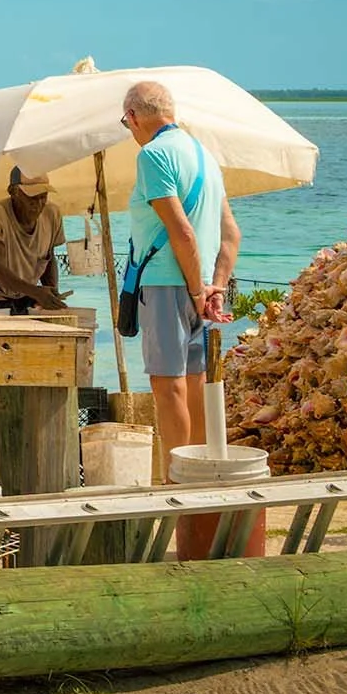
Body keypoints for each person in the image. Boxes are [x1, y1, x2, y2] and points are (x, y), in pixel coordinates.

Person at [120, 79, 242, 555]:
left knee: (168, 385)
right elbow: (230, 233)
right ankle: (206, 482)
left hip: (171, 283)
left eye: (125, 121)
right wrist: (215, 287)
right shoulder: (204, 155)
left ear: (133, 115)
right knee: (197, 386)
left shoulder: (153, 156)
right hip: (203, 286)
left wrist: (194, 289)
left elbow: (181, 231)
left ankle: (177, 487)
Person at [0, 167, 67, 312]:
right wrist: (37, 292)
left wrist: (50, 293)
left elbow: (48, 257)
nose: (38, 204)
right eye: (32, 197)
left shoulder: (52, 214)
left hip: (24, 296)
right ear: (13, 192)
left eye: (43, 196)